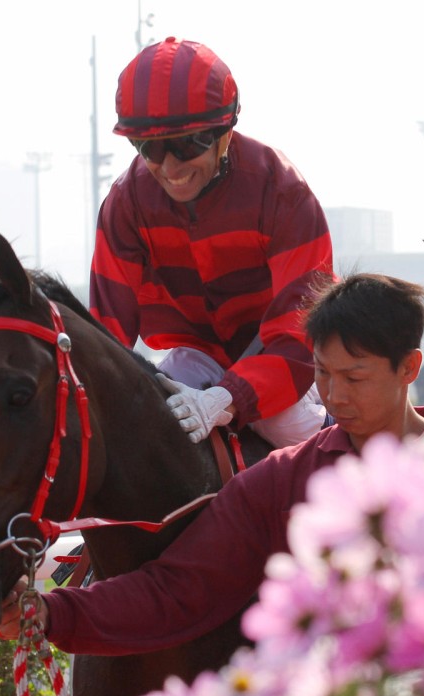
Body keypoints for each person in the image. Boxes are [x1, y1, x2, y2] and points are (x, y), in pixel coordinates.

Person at [0, 273, 424, 654]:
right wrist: (51, 613)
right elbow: (177, 590)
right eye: (322, 373)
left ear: (408, 368)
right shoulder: (279, 482)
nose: (334, 396)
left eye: (354, 377)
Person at [91, 37, 334, 449]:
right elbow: (105, 332)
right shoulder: (125, 203)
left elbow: (301, 330)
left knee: (283, 424)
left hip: (281, 358)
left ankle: (344, 453)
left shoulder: (282, 192)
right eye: (150, 148)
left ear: (225, 131)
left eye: (188, 144)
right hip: (198, 354)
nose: (170, 168)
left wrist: (228, 397)